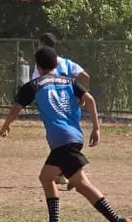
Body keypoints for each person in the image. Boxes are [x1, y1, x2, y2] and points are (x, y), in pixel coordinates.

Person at [0, 46, 132, 222]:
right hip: (74, 137)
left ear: (38, 66)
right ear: (56, 64)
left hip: (62, 140)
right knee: (61, 180)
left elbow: (17, 107)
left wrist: (6, 124)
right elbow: (90, 100)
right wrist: (96, 128)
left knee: (69, 181)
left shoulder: (34, 84)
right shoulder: (70, 81)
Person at [31, 32, 91, 188]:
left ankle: (69, 173)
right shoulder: (66, 62)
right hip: (68, 106)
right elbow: (85, 76)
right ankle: (66, 173)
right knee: (70, 137)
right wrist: (81, 95)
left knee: (58, 138)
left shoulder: (42, 63)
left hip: (53, 105)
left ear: (42, 45)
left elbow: (35, 83)